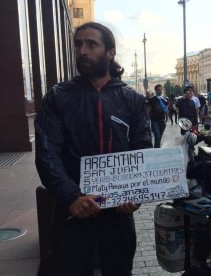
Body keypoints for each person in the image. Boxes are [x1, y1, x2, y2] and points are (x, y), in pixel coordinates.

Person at [34, 22, 152, 276]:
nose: (82, 50)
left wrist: (134, 195)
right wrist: (71, 197)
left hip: (117, 218)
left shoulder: (131, 99)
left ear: (110, 53)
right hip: (73, 214)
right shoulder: (58, 97)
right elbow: (47, 155)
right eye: (78, 44)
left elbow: (142, 151)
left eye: (91, 44)